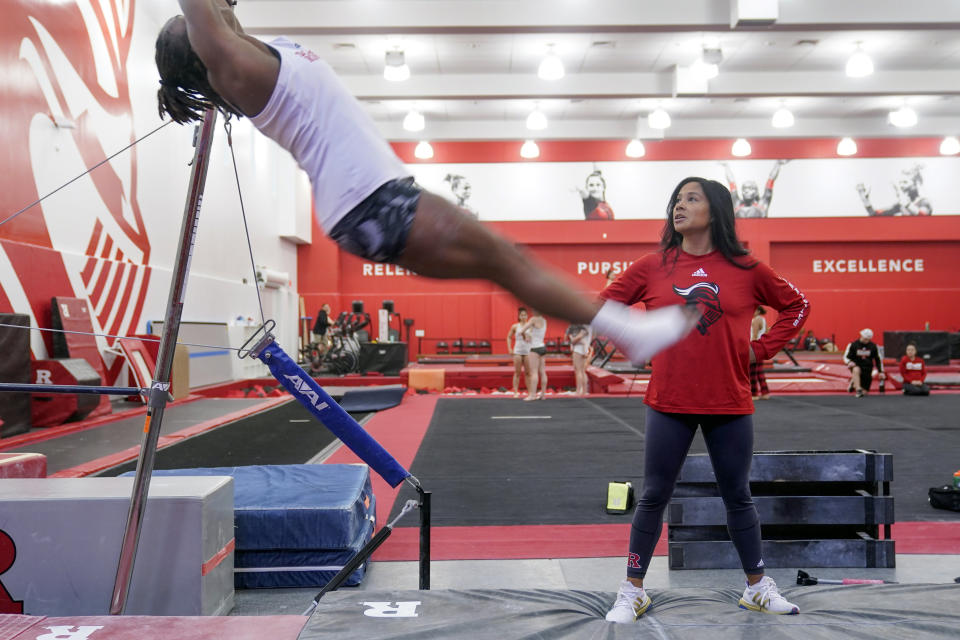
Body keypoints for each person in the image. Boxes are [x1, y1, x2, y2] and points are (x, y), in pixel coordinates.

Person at [156, 1, 696, 368]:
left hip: (370, 203)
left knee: (506, 263)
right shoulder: (235, 68)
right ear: (202, 46)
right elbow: (206, 15)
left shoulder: (251, 49)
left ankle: (627, 331)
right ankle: (630, 332)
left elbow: (220, 15)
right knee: (509, 260)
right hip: (373, 201)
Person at [600, 177, 809, 623]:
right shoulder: (653, 265)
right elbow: (603, 306)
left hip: (729, 401)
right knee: (654, 495)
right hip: (668, 402)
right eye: (676, 198)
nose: (679, 205)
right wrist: (634, 342)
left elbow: (798, 306)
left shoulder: (748, 268)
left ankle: (757, 586)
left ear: (715, 210)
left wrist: (760, 349)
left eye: (691, 198)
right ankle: (632, 590)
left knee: (738, 495)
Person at [720, 160, 788, 218]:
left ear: (756, 192)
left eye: (750, 188)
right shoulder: (737, 204)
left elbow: (770, 180)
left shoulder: (762, 204)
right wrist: (726, 166)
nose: (746, 191)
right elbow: (731, 182)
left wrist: (778, 164)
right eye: (744, 189)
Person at [843, 328, 884, 398]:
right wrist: (849, 362)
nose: (865, 340)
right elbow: (846, 357)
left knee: (865, 392)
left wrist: (881, 371)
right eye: (864, 338)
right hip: (857, 365)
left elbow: (878, 359)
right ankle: (858, 389)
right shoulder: (853, 345)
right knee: (856, 370)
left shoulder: (873, 346)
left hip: (867, 368)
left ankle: (853, 383)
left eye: (867, 339)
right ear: (861, 336)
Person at [518, 310, 548, 401]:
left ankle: (532, 395)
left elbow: (521, 330)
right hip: (542, 347)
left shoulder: (533, 319)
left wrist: (526, 336)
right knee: (542, 372)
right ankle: (543, 394)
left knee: (533, 372)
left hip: (534, 348)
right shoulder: (544, 320)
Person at [506, 308, 531, 398]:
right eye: (522, 315)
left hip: (528, 351)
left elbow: (531, 338)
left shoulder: (530, 326)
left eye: (525, 315)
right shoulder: (515, 326)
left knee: (528, 373)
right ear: (519, 316)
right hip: (518, 351)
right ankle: (515, 391)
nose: (524, 317)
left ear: (527, 316)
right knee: (517, 372)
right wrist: (509, 348)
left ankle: (530, 392)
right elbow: (508, 337)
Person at [750, 307, 770, 400]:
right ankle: (765, 392)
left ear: (758, 311)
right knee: (759, 371)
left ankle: (754, 393)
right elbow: (766, 333)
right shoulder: (763, 320)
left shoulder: (756, 320)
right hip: (761, 346)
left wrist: (751, 348)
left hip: (754, 346)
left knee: (752, 372)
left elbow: (754, 335)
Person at [566, 323, 592, 396]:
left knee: (578, 371)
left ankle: (578, 391)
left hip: (578, 349)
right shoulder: (588, 326)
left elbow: (576, 339)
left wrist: (572, 340)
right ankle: (584, 391)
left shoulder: (583, 327)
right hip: (584, 349)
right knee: (582, 371)